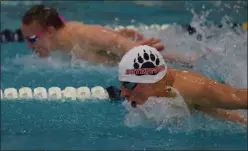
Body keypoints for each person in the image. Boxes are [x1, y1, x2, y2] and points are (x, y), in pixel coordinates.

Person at [21, 4, 199, 67]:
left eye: (32, 39)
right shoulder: (65, 43)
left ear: (50, 31)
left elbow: (118, 43)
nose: (29, 46)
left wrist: (136, 49)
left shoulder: (85, 36)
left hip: (179, 61)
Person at [118, 45, 248, 125]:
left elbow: (239, 97)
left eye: (128, 85)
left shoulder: (194, 88)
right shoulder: (153, 89)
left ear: (150, 79)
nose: (124, 93)